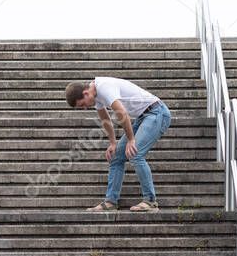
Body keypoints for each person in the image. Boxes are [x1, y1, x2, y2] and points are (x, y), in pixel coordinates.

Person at [65, 77, 172, 212]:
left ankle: (150, 201)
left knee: (135, 153)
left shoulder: (104, 87)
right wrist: (112, 143)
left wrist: (131, 139)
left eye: (82, 104)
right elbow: (105, 120)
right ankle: (111, 201)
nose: (85, 108)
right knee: (116, 157)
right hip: (143, 116)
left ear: (86, 93)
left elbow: (122, 113)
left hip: (157, 112)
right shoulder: (96, 95)